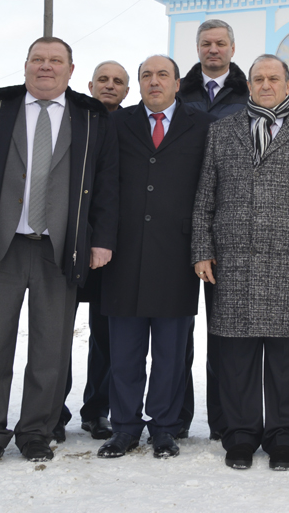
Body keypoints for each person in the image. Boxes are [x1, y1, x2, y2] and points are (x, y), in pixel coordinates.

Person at [0, 37, 119, 468]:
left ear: (71, 70)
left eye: (55, 61)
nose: (45, 67)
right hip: (1, 244)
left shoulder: (91, 118)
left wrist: (101, 240)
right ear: (25, 66)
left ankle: (36, 431)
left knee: (51, 347)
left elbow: (108, 184)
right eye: (37, 60)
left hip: (58, 249)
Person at [192, 54, 289, 471]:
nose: (266, 85)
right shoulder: (222, 132)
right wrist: (201, 248)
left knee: (288, 358)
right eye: (258, 78)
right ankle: (240, 437)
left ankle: (283, 438)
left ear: (287, 82)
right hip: (233, 260)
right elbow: (205, 196)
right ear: (250, 83)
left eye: (274, 78)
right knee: (235, 356)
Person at [98, 55, 213, 460]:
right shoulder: (118, 123)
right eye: (146, 75)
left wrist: (204, 247)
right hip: (124, 254)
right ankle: (125, 427)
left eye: (162, 74)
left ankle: (165, 427)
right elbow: (104, 185)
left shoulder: (202, 126)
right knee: (125, 351)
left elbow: (208, 189)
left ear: (178, 84)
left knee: (170, 353)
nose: (154, 81)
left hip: (178, 255)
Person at [175, 19, 248, 439]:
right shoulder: (179, 92)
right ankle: (178, 417)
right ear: (198, 48)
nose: (213, 50)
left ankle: (224, 419)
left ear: (232, 49)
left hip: (226, 228)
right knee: (177, 328)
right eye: (206, 44)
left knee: (224, 330)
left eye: (221, 43)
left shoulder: (248, 94)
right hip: (177, 224)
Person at [55, 60, 131, 442]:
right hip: (68, 239)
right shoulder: (73, 117)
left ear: (127, 91)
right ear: (89, 84)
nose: (110, 86)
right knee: (57, 330)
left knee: (105, 335)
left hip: (110, 246)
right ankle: (53, 409)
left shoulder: (129, 125)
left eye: (118, 81)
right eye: (103, 79)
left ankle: (97, 409)